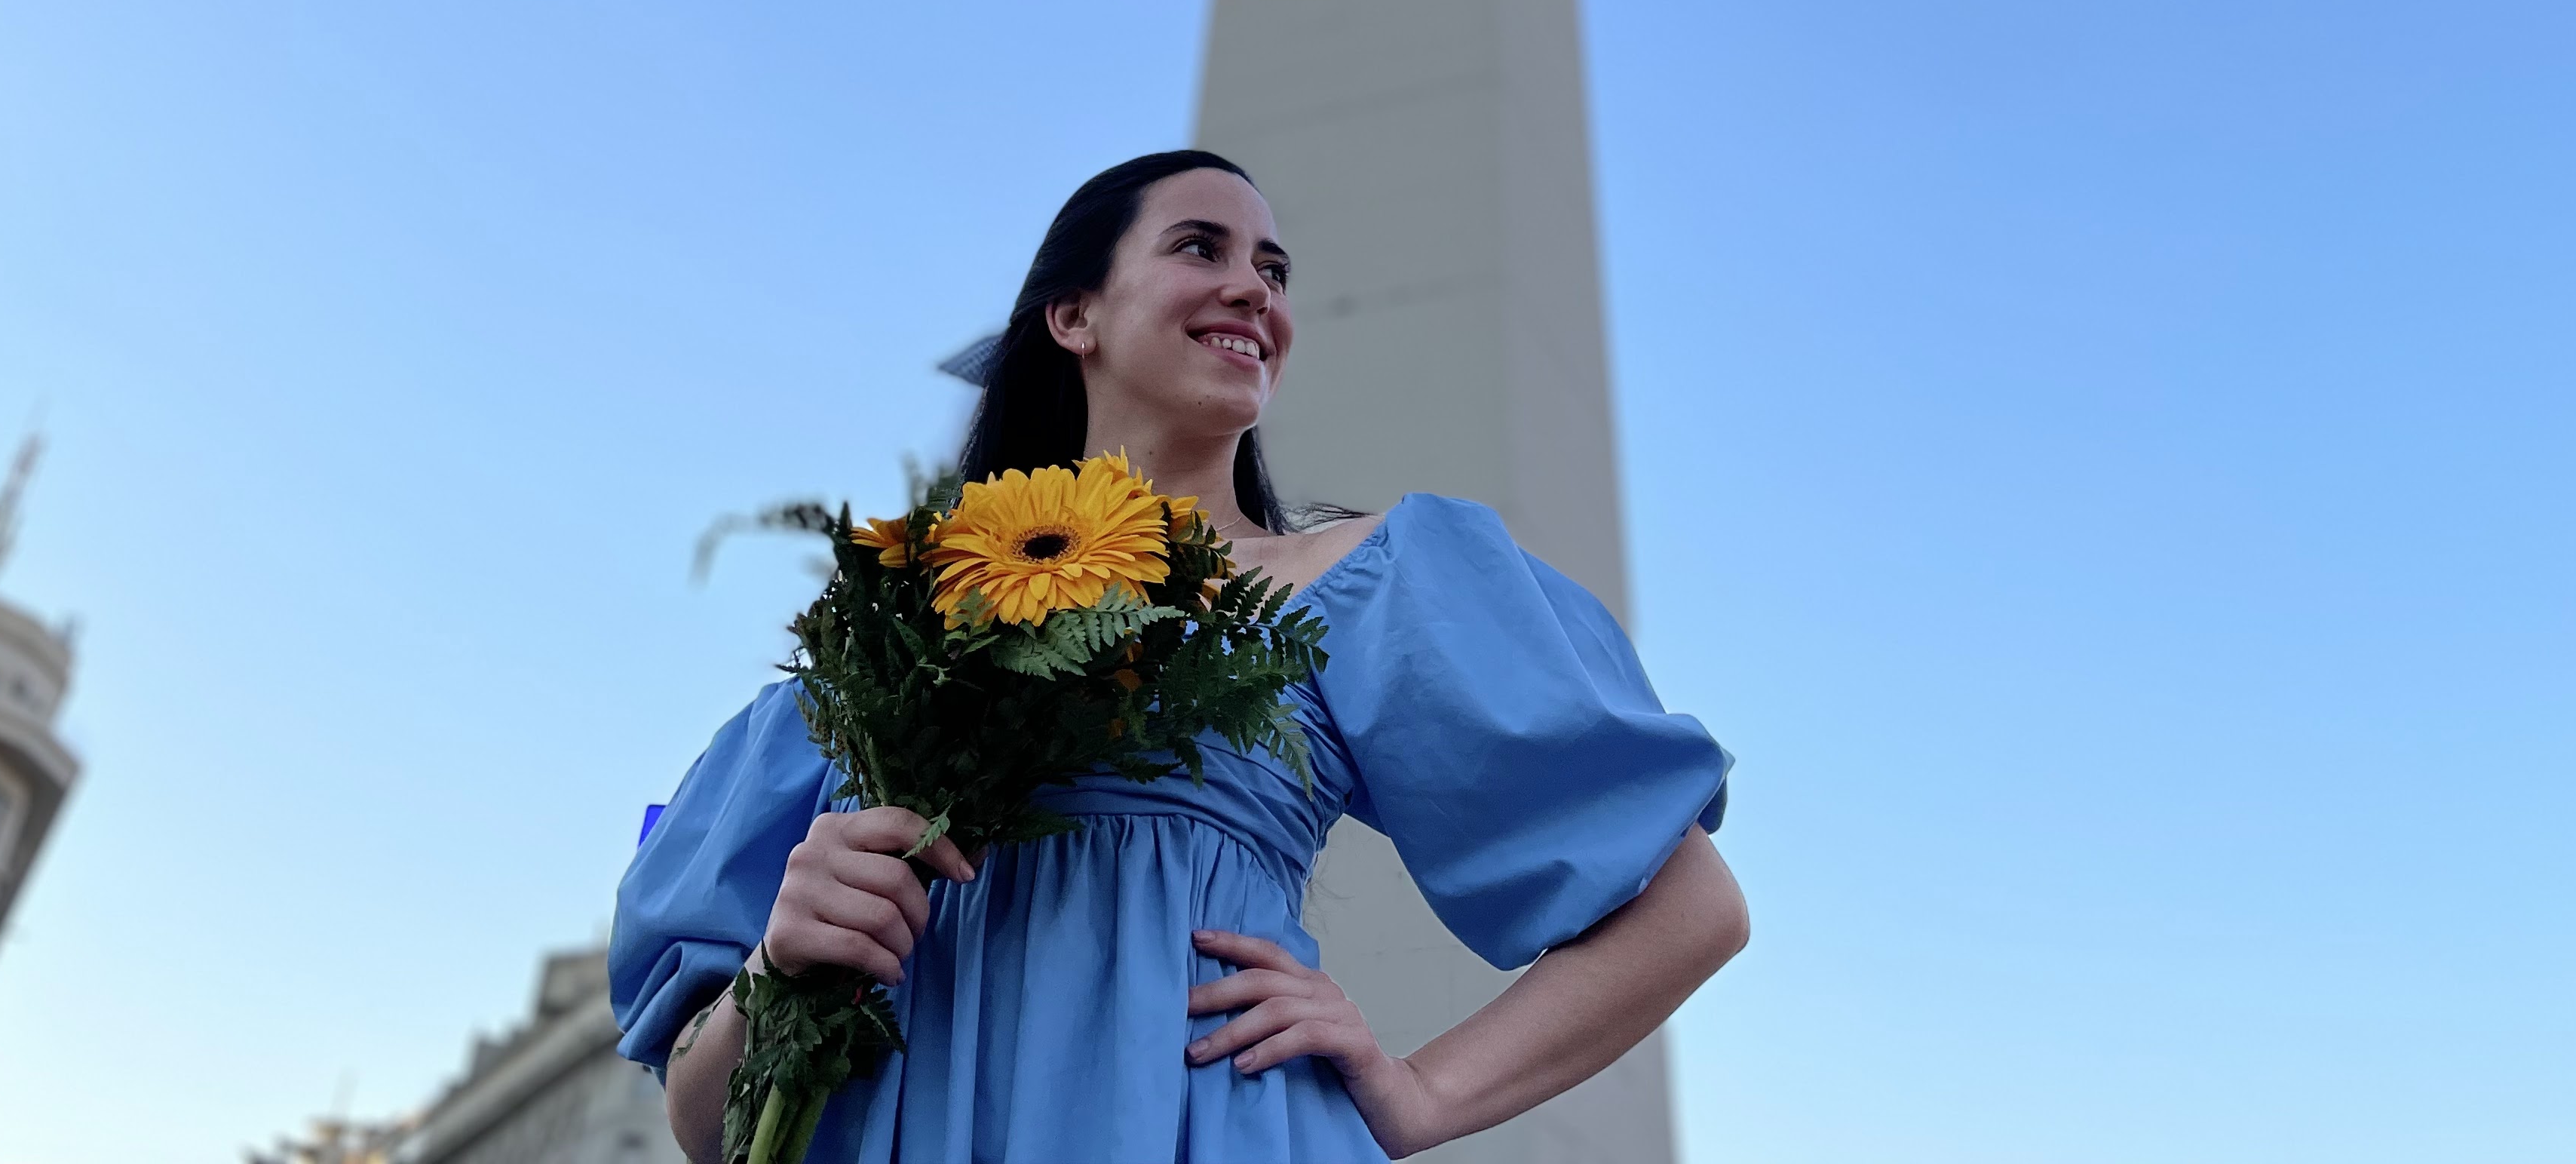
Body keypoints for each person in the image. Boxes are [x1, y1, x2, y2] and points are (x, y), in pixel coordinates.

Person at [612, 150, 1746, 1163]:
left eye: (1275, 267)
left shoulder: (1355, 585)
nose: (1256, 288)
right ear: (1075, 315)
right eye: (1201, 246)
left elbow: (1690, 908)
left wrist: (1424, 1093)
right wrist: (778, 968)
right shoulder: (894, 632)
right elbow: (707, 1130)